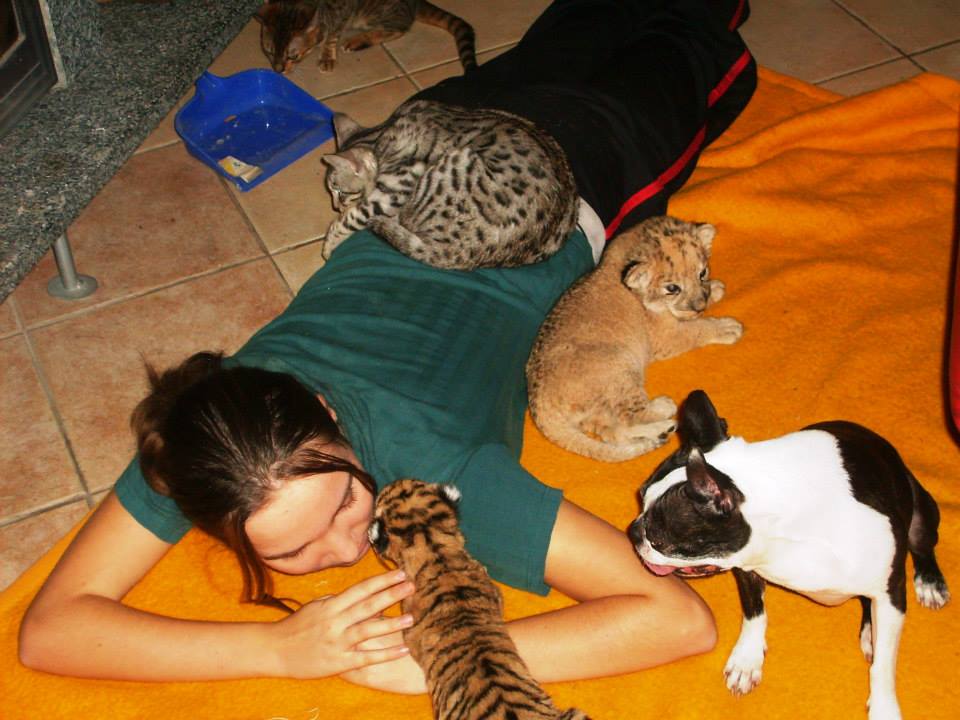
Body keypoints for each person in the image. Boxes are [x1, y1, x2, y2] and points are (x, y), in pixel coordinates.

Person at [18, 0, 756, 693]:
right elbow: (49, 632)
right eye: (291, 553)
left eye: (344, 497)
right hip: (441, 135)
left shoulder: (429, 471)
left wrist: (438, 665)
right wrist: (274, 649)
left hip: (579, 170)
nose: (341, 548)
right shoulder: (211, 428)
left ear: (320, 411)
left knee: (697, 43)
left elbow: (677, 620)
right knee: (582, 22)